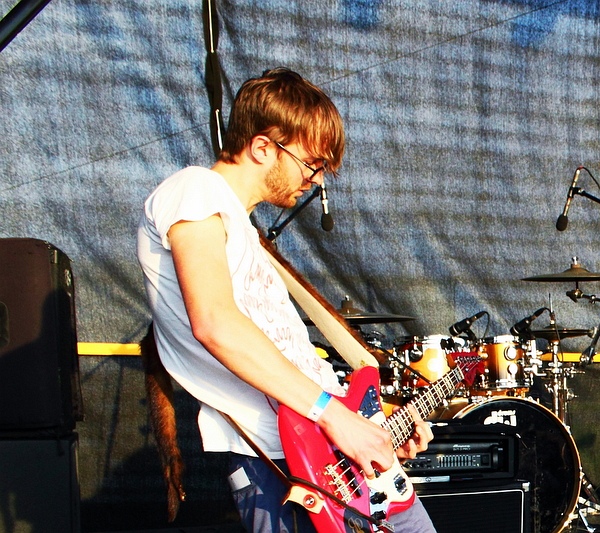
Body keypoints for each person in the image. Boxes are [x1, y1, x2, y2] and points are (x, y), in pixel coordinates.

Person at [137, 67, 436, 532]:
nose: (316, 182)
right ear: (262, 147)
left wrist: (372, 428)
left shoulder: (246, 233)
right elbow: (215, 323)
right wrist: (336, 418)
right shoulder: (194, 189)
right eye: (312, 164)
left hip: (334, 451)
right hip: (281, 461)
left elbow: (290, 358)